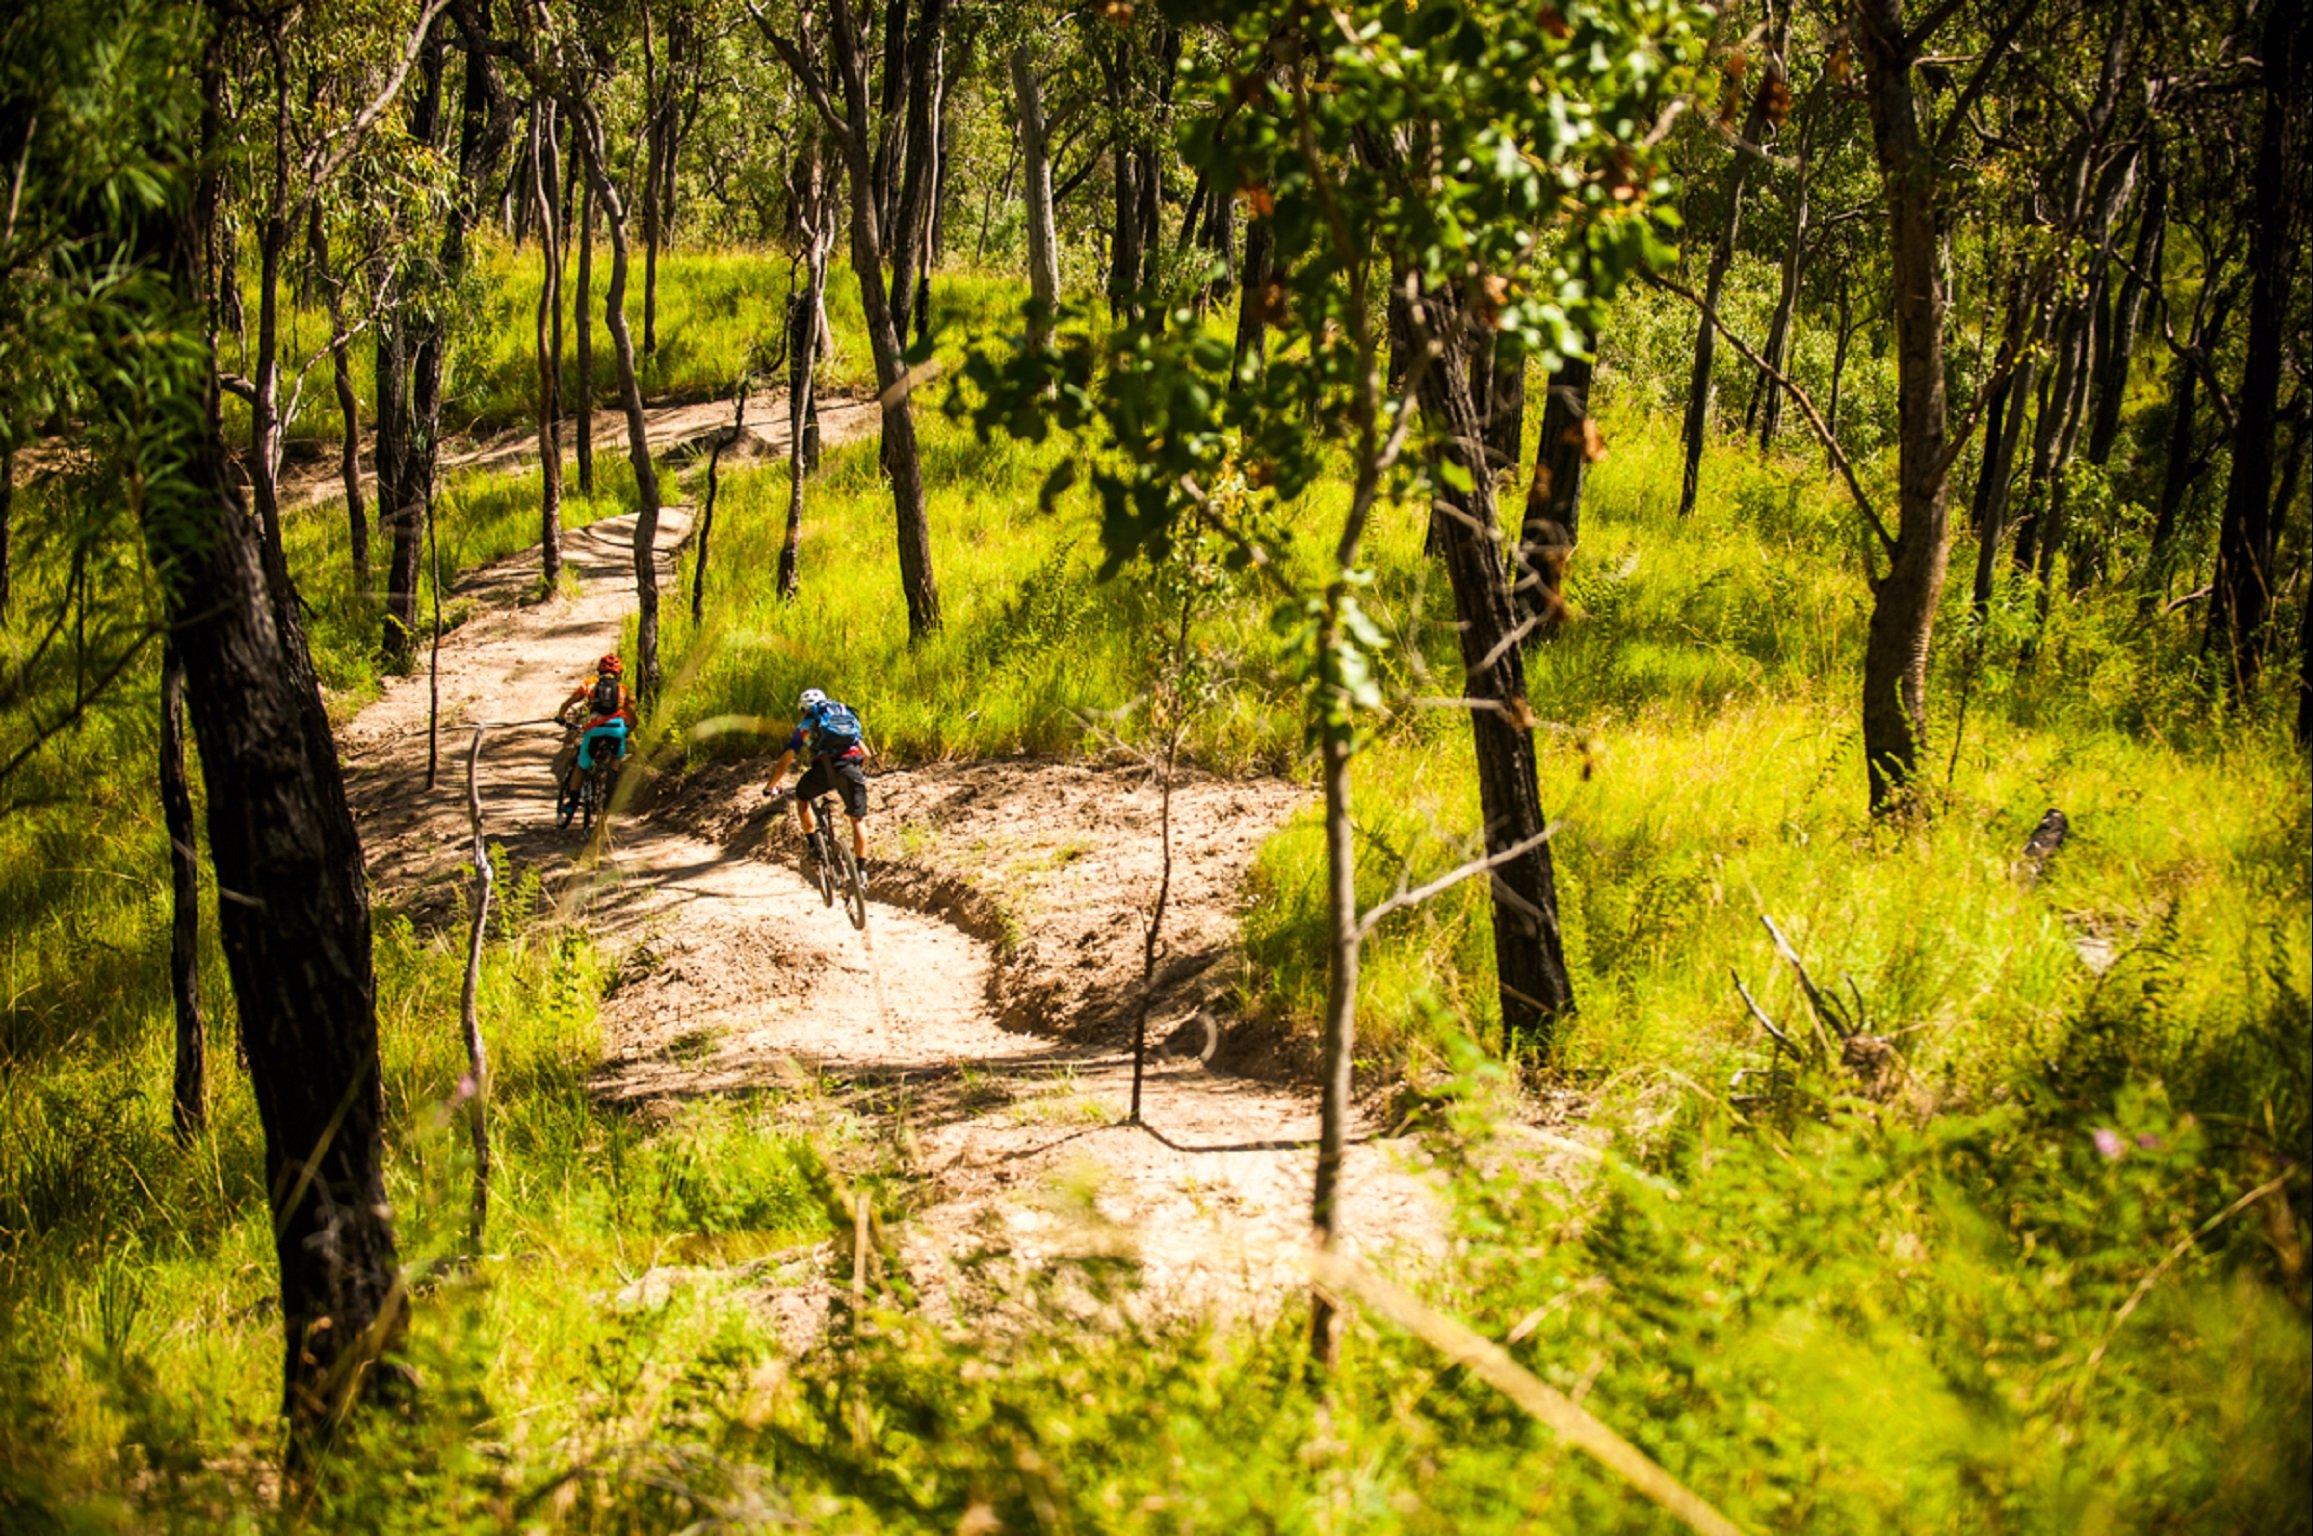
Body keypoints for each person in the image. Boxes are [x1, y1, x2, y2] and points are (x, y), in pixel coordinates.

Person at [764, 686, 870, 875]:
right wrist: (854, 772)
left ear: (804, 709)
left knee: (802, 796)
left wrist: (770, 786)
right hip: (851, 770)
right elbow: (867, 754)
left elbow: (786, 759)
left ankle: (815, 848)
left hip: (823, 770)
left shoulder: (807, 722)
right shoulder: (845, 717)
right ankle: (861, 872)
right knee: (858, 820)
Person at [553, 653, 637, 809]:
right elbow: (633, 718)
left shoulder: (590, 684)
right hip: (617, 730)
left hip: (594, 729)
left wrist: (561, 716)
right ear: (619, 672)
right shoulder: (623, 690)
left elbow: (568, 702)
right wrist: (627, 730)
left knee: (582, 764)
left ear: (599, 670)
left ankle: (572, 802)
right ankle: (611, 781)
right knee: (616, 758)